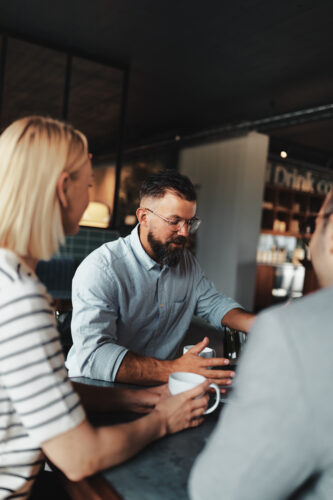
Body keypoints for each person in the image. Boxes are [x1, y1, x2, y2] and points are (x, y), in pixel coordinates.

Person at [0, 116, 210, 500]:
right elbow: (79, 458)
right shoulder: (20, 298)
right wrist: (164, 420)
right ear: (64, 188)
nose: (92, 195)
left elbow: (45, 392)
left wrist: (140, 398)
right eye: (90, 183)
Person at [189, 191, 333, 500]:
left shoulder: (292, 334)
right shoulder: (105, 266)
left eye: (316, 222)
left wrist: (273, 330)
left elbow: (220, 491)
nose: (184, 232)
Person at [66, 170, 255, 386]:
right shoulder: (102, 268)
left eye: (190, 222)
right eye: (174, 221)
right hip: (99, 388)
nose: (185, 232)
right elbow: (94, 356)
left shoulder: (186, 263)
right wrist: (175, 369)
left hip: (160, 385)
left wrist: (263, 324)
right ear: (144, 217)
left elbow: (214, 305)